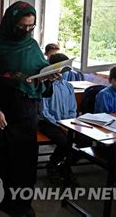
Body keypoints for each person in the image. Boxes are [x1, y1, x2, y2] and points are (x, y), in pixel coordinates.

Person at [0, 1, 55, 217]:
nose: (26, 31)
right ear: (11, 23)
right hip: (2, 112)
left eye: (31, 27)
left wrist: (49, 77)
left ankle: (21, 203)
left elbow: (38, 75)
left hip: (27, 112)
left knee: (24, 159)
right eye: (22, 27)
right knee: (2, 158)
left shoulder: (31, 46)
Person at [39, 53, 77, 182]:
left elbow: (73, 108)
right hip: (48, 122)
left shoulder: (69, 86)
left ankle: (64, 165)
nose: (65, 72)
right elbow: (44, 112)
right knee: (65, 142)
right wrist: (60, 125)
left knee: (83, 142)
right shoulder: (46, 85)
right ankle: (53, 164)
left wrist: (69, 124)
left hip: (67, 123)